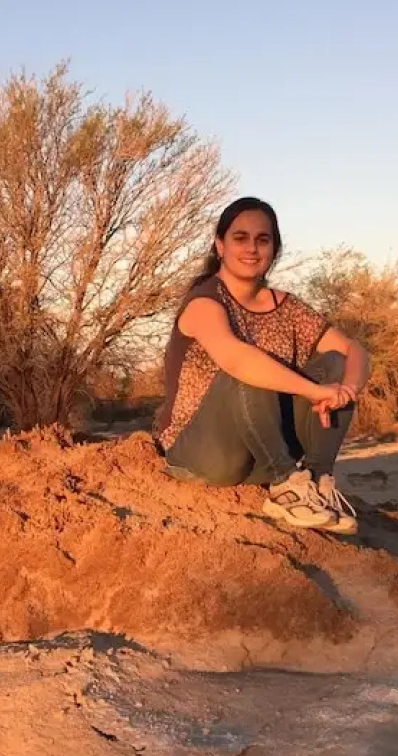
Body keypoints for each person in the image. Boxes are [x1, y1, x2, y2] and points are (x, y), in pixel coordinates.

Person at [154, 197, 371, 532]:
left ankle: (313, 479)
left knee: (335, 363)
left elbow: (355, 351)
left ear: (274, 249)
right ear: (220, 245)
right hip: (203, 452)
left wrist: (345, 390)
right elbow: (237, 360)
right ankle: (285, 483)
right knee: (251, 368)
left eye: (262, 239)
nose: (252, 248)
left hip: (261, 449)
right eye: (240, 238)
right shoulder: (205, 302)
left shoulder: (286, 305)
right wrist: (314, 390)